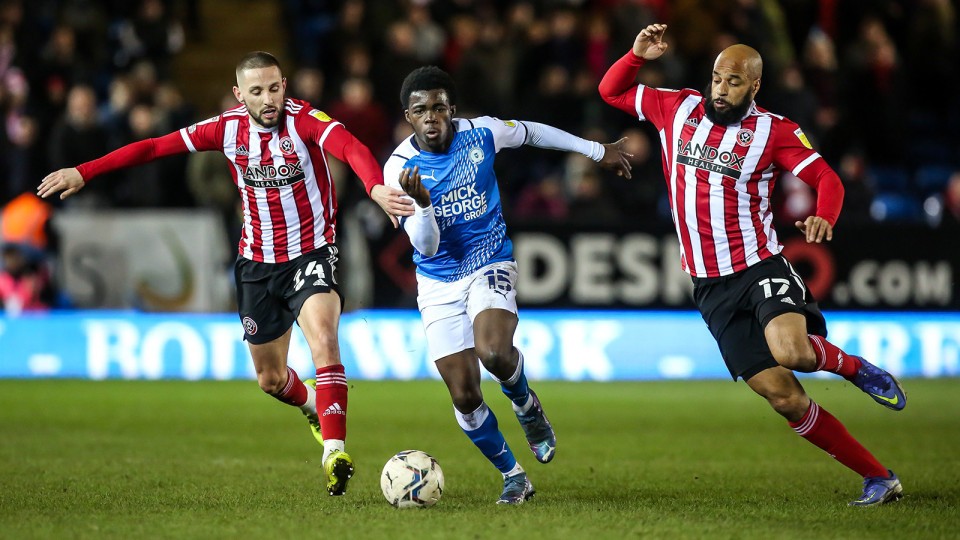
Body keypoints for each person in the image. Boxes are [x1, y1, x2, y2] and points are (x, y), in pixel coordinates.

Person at [37, 51, 415, 496]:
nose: (269, 99)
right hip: (256, 263)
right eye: (257, 91)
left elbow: (349, 147)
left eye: (274, 88)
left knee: (324, 340)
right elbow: (155, 146)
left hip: (313, 251)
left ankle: (334, 451)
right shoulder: (226, 128)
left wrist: (374, 188)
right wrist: (85, 171)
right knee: (271, 380)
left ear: (284, 84)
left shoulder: (305, 119)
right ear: (240, 94)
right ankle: (313, 404)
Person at [598, 24, 907, 507]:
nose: (721, 89)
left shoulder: (774, 131)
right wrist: (636, 55)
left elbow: (827, 177)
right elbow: (610, 90)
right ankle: (879, 478)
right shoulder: (675, 107)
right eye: (717, 78)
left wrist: (825, 215)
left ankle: (853, 368)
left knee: (793, 352)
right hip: (710, 287)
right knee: (783, 396)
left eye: (734, 82)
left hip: (759, 267)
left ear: (755, 86)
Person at [385, 66, 632, 505]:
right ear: (409, 116)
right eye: (421, 110)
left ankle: (525, 405)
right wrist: (423, 206)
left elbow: (533, 132)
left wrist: (596, 151)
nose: (431, 117)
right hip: (438, 280)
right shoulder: (400, 168)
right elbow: (426, 243)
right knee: (463, 394)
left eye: (439, 107)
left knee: (494, 352)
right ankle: (514, 476)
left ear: (452, 110)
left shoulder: (482, 134)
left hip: (489, 261)